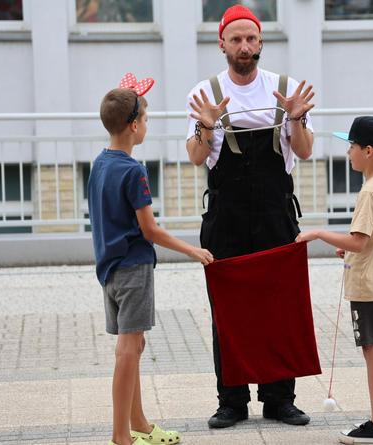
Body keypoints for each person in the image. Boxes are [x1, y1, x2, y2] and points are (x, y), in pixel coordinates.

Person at [185, 4, 315, 429]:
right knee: (228, 310)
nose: (245, 46)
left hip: (276, 213)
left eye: (251, 39)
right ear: (221, 43)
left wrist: (295, 117)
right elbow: (195, 158)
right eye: (236, 39)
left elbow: (306, 149)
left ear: (261, 42)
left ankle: (280, 399)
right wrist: (206, 126)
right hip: (227, 216)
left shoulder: (285, 87)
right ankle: (232, 401)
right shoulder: (204, 92)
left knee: (280, 307)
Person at [89, 78, 214, 445]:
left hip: (109, 269)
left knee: (134, 345)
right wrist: (193, 251)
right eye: (145, 118)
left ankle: (139, 422)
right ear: (132, 125)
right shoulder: (134, 171)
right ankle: (120, 436)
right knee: (128, 351)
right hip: (133, 268)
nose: (147, 125)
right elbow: (150, 230)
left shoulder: (100, 163)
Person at [296, 116, 373, 444]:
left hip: (368, 284)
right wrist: (365, 248)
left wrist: (318, 233)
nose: (349, 152)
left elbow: (359, 240)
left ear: (369, 151)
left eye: (352, 146)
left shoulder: (370, 191)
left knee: (372, 349)